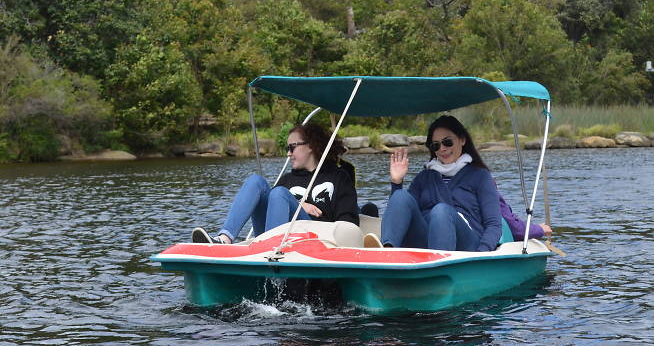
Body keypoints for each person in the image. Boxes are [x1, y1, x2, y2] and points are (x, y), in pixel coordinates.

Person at [191, 123, 359, 244]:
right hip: (273, 239)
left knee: (279, 194)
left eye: (292, 147)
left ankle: (271, 251)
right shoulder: (287, 180)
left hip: (314, 241)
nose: (288, 153)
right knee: (255, 181)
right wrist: (300, 204)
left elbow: (348, 224)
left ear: (310, 146)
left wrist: (298, 208)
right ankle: (224, 239)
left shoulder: (338, 178)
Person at [374, 115, 502, 251]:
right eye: (436, 145)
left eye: (447, 142)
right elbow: (402, 213)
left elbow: (494, 224)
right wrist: (396, 182)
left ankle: (439, 265)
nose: (442, 149)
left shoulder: (480, 176)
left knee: (441, 211)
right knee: (400, 196)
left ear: (462, 140)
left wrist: (482, 253)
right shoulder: (424, 178)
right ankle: (388, 250)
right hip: (427, 240)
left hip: (467, 245)